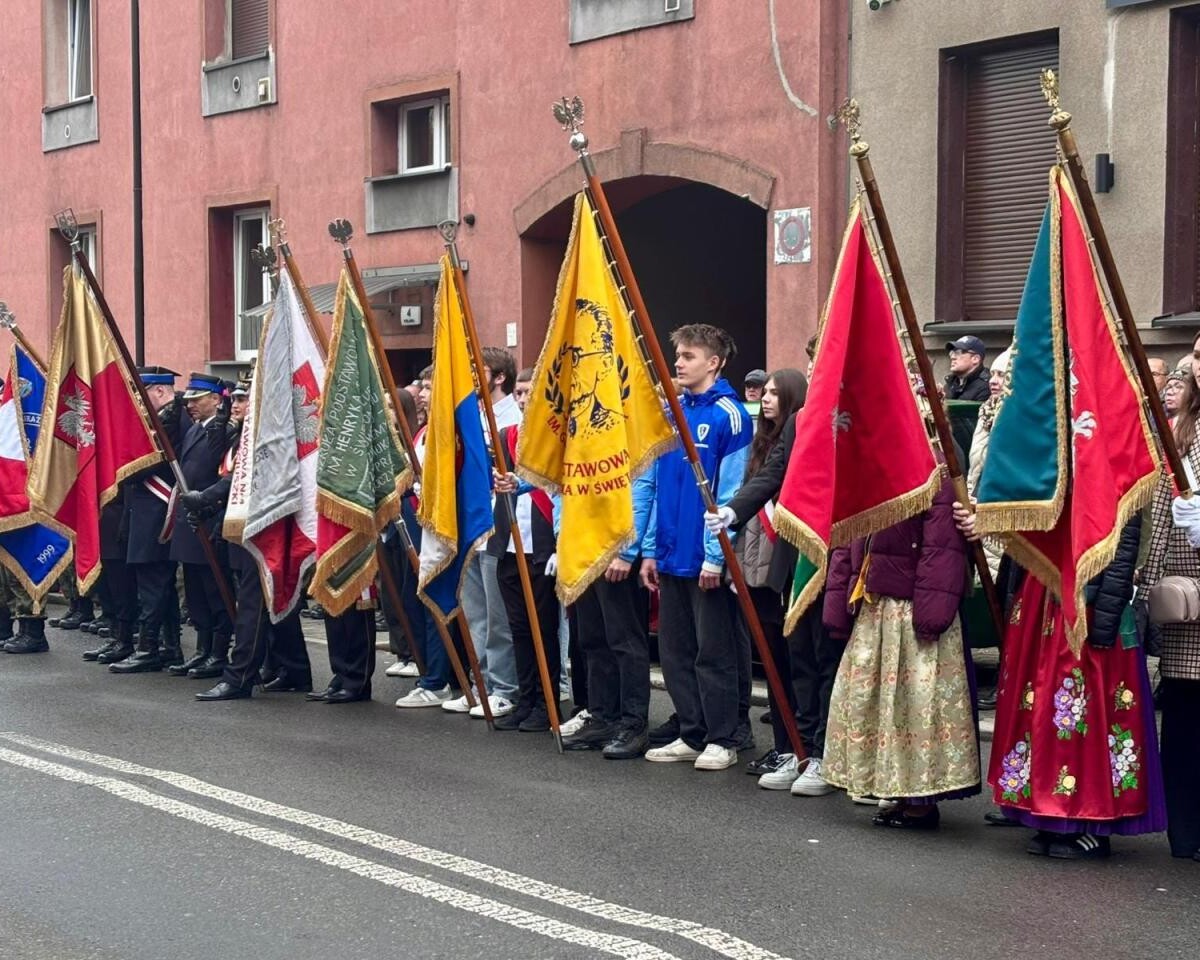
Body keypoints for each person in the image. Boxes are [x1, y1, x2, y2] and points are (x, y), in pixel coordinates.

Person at [822, 470, 979, 828]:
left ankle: (920, 802)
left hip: (912, 609)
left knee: (915, 708)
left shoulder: (934, 472)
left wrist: (931, 617)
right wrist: (839, 604)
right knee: (882, 707)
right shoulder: (875, 466)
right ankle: (893, 788)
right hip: (878, 604)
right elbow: (851, 536)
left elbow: (942, 549)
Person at [640, 323, 753, 772]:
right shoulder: (670, 412)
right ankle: (691, 731)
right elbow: (656, 484)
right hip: (669, 551)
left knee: (715, 651)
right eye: (678, 356)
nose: (679, 364)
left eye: (689, 356)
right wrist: (649, 549)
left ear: (714, 362)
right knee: (675, 649)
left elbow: (731, 493)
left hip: (705, 555)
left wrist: (715, 555)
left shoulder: (731, 414)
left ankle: (723, 737)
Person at [710, 369, 809, 788]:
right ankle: (785, 745)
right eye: (763, 392)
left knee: (798, 663)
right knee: (772, 664)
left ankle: (807, 748)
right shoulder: (762, 444)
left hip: (789, 563)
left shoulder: (803, 429)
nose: (765, 399)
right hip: (759, 569)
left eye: (773, 393)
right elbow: (759, 493)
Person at [1141, 330, 1200, 860]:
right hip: (1191, 601)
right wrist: (1145, 584)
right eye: (1199, 355)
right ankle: (1186, 832)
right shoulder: (1181, 431)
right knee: (1183, 718)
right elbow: (1159, 515)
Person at [444, 347, 522, 719]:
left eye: (480, 370)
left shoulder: (513, 419)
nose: (474, 376)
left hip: (498, 525)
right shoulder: (470, 416)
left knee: (497, 615)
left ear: (500, 377)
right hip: (470, 522)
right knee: (475, 612)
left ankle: (505, 688)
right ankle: (481, 685)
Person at [109, 367, 188, 673]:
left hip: (156, 511)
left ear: (158, 391)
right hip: (144, 511)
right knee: (157, 583)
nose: (138, 403)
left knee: (153, 583)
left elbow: (147, 463)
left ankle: (148, 648)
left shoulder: (173, 420)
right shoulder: (162, 418)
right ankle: (169, 646)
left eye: (142, 395)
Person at [490, 427, 562, 732]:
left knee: (543, 629)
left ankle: (548, 703)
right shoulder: (509, 435)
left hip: (539, 547)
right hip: (510, 546)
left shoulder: (550, 433)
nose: (522, 398)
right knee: (519, 628)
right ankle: (526, 699)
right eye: (519, 392)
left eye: (527, 392)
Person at [164, 372, 234, 680]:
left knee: (214, 589)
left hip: (208, 519)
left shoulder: (222, 432)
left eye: (197, 400)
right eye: (189, 400)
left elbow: (223, 477)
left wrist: (207, 506)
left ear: (216, 400)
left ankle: (218, 653)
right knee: (195, 593)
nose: (191, 405)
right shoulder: (193, 431)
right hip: (189, 520)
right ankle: (202, 650)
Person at [943, 336, 990, 401]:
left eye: (958, 353)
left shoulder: (987, 387)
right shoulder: (950, 384)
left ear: (975, 359)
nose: (952, 357)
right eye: (952, 353)